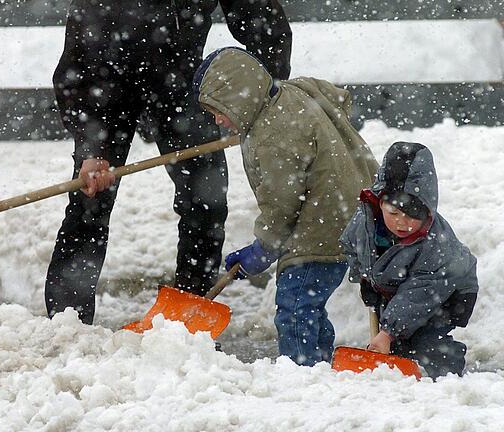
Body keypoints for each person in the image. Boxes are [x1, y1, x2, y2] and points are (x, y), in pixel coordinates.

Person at [46, 1, 293, 324]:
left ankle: (189, 316)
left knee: (206, 203)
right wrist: (92, 147)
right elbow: (78, 57)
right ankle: (68, 322)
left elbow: (261, 19)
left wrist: (266, 91)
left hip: (182, 86)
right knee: (90, 201)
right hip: (106, 88)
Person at [192, 47, 379, 366]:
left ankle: (301, 373)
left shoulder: (273, 133)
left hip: (320, 228)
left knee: (295, 308)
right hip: (351, 211)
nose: (218, 119)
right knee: (310, 305)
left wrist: (263, 248)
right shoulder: (294, 92)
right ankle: (319, 366)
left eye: (218, 109)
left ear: (239, 96)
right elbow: (336, 97)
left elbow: (282, 201)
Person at [340, 142, 478, 379]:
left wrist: (387, 333)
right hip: (397, 285)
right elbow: (351, 247)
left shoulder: (437, 244)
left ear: (428, 210)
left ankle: (448, 378)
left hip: (448, 290)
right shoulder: (364, 223)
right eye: (393, 214)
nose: (402, 223)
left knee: (425, 341)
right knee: (398, 344)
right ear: (379, 202)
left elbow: (418, 296)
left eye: (413, 216)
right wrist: (364, 277)